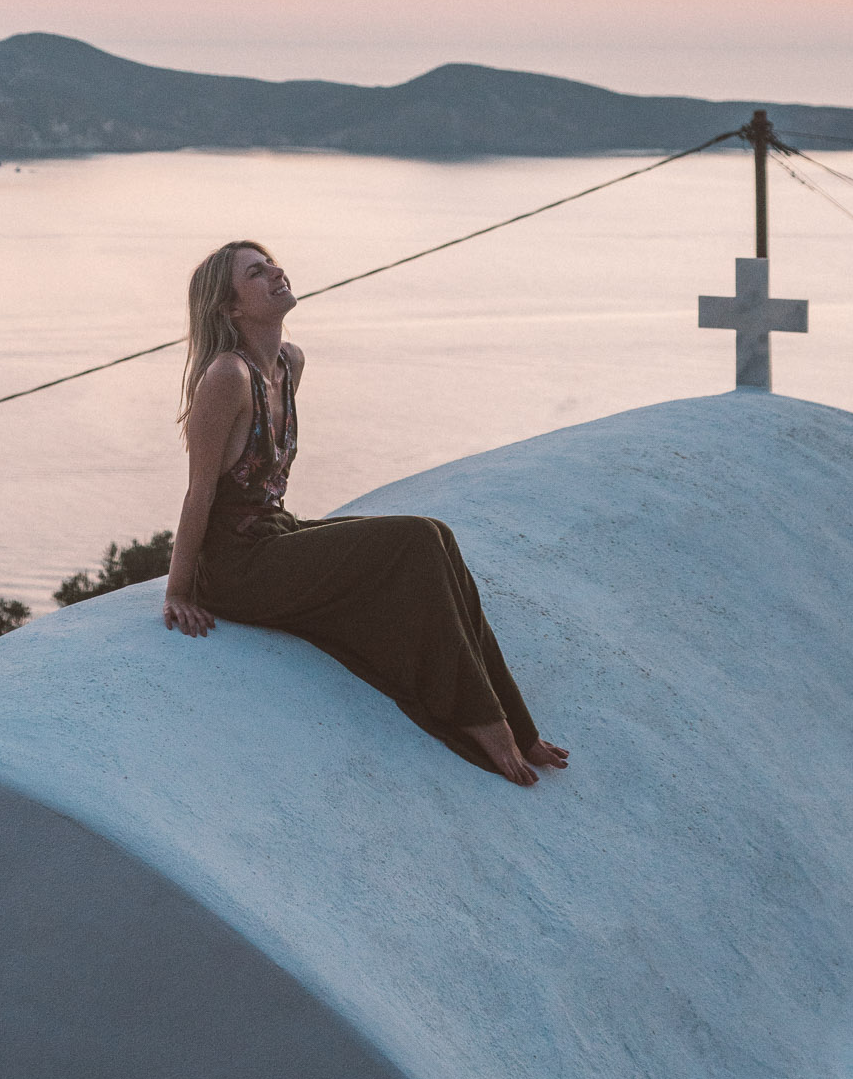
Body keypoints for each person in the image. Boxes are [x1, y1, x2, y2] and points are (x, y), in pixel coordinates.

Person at [161, 238, 569, 787]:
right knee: (413, 540)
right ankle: (481, 722)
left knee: (438, 536)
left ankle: (518, 725)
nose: (277, 272)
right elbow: (199, 493)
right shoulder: (226, 377)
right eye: (256, 273)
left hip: (274, 534)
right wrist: (179, 591)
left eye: (271, 263)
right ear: (231, 307)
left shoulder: (289, 362)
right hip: (236, 568)